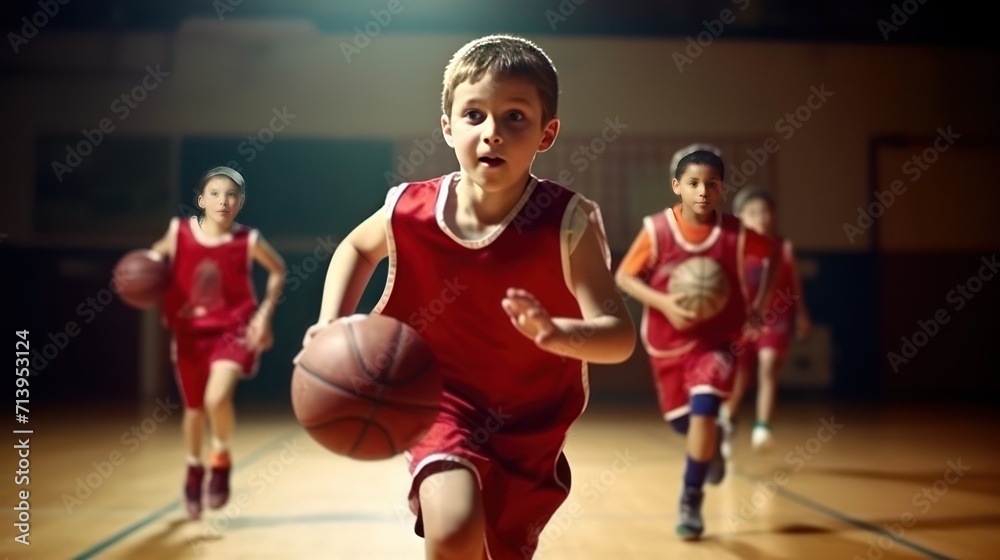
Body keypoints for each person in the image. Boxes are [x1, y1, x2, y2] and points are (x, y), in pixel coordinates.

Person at [300, 35, 635, 559]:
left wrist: (556, 333)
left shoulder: (567, 222)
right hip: (438, 401)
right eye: (474, 115)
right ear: (447, 126)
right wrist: (330, 325)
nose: (492, 133)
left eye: (514, 117)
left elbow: (618, 339)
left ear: (548, 133)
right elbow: (354, 249)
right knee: (453, 527)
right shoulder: (409, 210)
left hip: (530, 422)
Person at [615, 149, 777, 540]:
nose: (702, 192)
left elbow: (774, 257)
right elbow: (625, 277)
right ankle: (713, 442)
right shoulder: (657, 230)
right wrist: (665, 302)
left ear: (721, 188)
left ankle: (691, 497)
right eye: (693, 184)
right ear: (677, 187)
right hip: (670, 340)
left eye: (711, 184)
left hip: (720, 339)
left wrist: (758, 309)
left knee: (704, 407)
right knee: (683, 423)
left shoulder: (736, 233)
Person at [150, 166, 286, 519]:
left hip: (233, 331)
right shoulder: (178, 233)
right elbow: (154, 258)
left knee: (216, 398)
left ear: (240, 203)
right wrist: (145, 270)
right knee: (194, 411)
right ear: (200, 200)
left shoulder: (248, 241)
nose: (222, 201)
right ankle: (195, 469)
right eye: (214, 193)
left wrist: (264, 314)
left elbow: (278, 270)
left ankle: (220, 458)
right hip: (189, 334)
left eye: (230, 195)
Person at [722, 185, 811, 453]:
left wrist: (802, 314)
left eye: (765, 212)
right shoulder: (735, 248)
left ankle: (762, 426)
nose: (761, 217)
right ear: (740, 216)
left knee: (769, 366)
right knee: (739, 377)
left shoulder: (783, 247)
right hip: (742, 319)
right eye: (753, 212)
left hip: (775, 317)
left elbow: (795, 284)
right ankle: (727, 421)